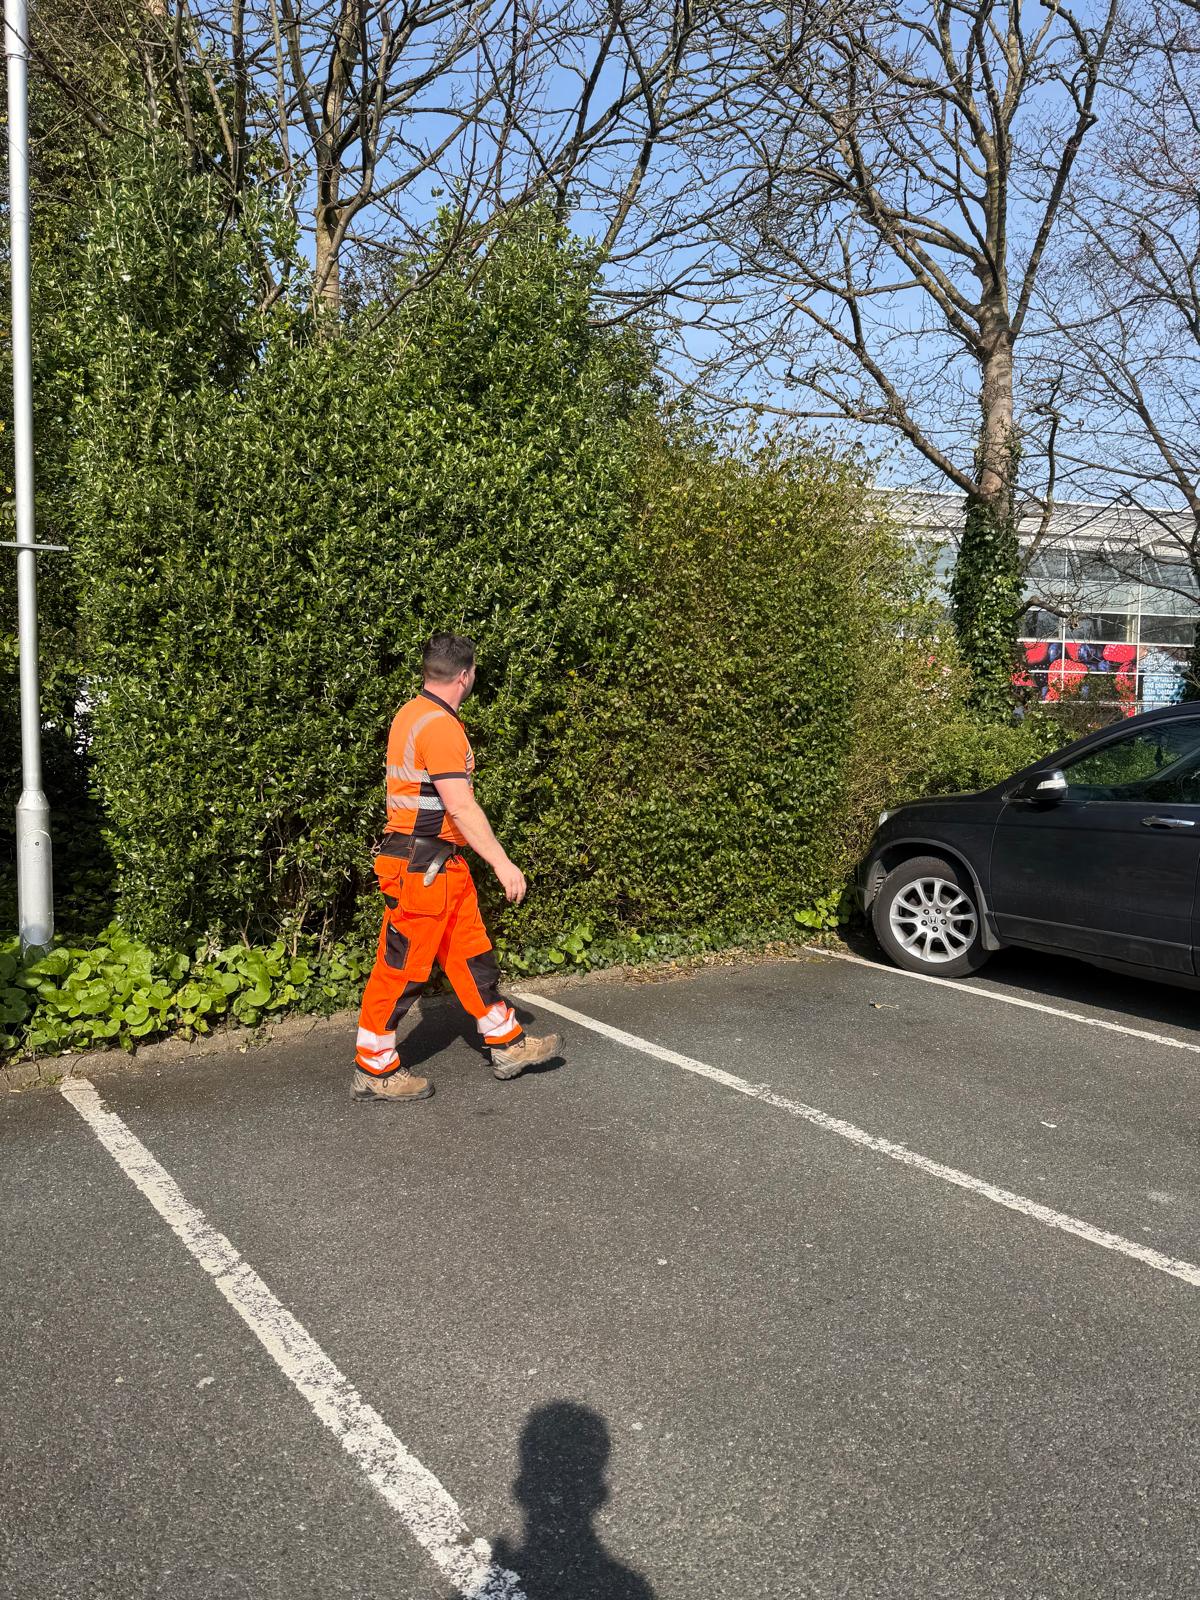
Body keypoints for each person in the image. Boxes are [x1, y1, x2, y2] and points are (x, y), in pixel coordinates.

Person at [352, 632, 561, 1103]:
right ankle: (374, 1067)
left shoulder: (411, 714)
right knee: (402, 969)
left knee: (470, 956)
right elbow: (462, 808)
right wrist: (504, 864)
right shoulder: (441, 728)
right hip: (422, 868)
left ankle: (507, 1043)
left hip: (436, 866)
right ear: (466, 675)